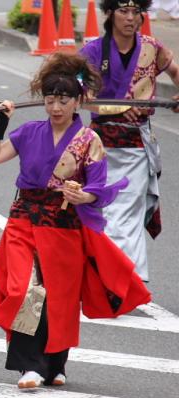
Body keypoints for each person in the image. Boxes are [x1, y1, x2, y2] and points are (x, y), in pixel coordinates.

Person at [0, 52, 151, 390]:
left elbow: (99, 190)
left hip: (64, 227)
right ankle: (29, 365)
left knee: (59, 297)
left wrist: (83, 196)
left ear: (78, 101)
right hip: (24, 222)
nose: (56, 108)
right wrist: (1, 122)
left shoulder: (90, 141)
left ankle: (55, 363)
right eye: (49, 100)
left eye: (63, 100)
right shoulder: (29, 131)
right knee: (23, 288)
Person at [80, 0, 179, 282]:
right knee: (105, 209)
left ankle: (124, 279)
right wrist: (120, 106)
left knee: (129, 212)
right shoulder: (93, 51)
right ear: (110, 14)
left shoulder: (152, 47)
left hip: (137, 143)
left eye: (136, 12)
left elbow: (174, 70)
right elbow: (82, 97)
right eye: (124, 11)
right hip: (100, 145)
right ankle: (110, 276)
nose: (131, 18)